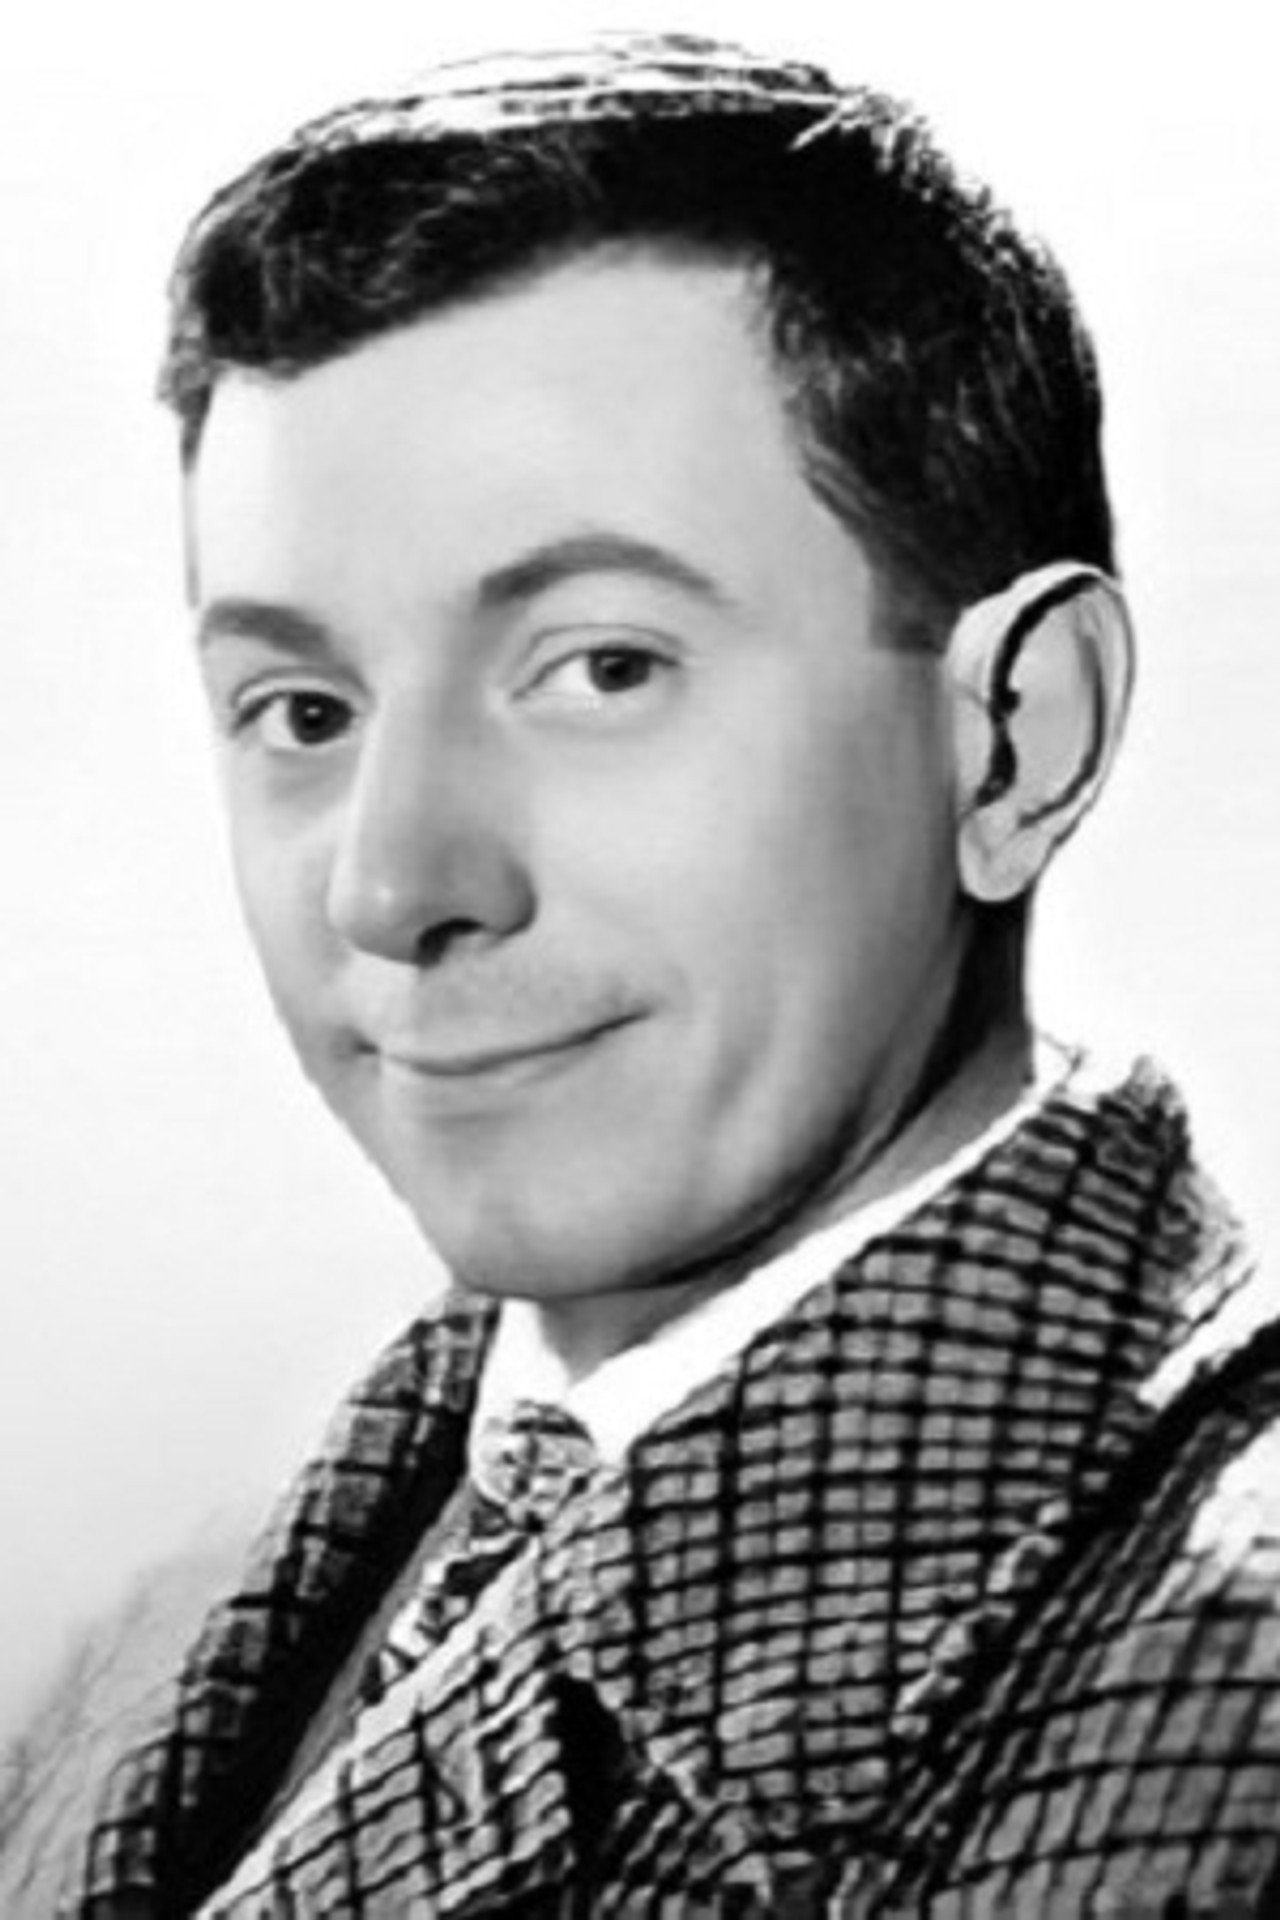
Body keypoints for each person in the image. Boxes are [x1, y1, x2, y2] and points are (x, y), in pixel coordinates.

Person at [3, 31, 1279, 1917]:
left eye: (603, 670)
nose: (393, 884)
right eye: (303, 710)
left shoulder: (1225, 1704)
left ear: (1016, 737)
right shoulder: (172, 1629)